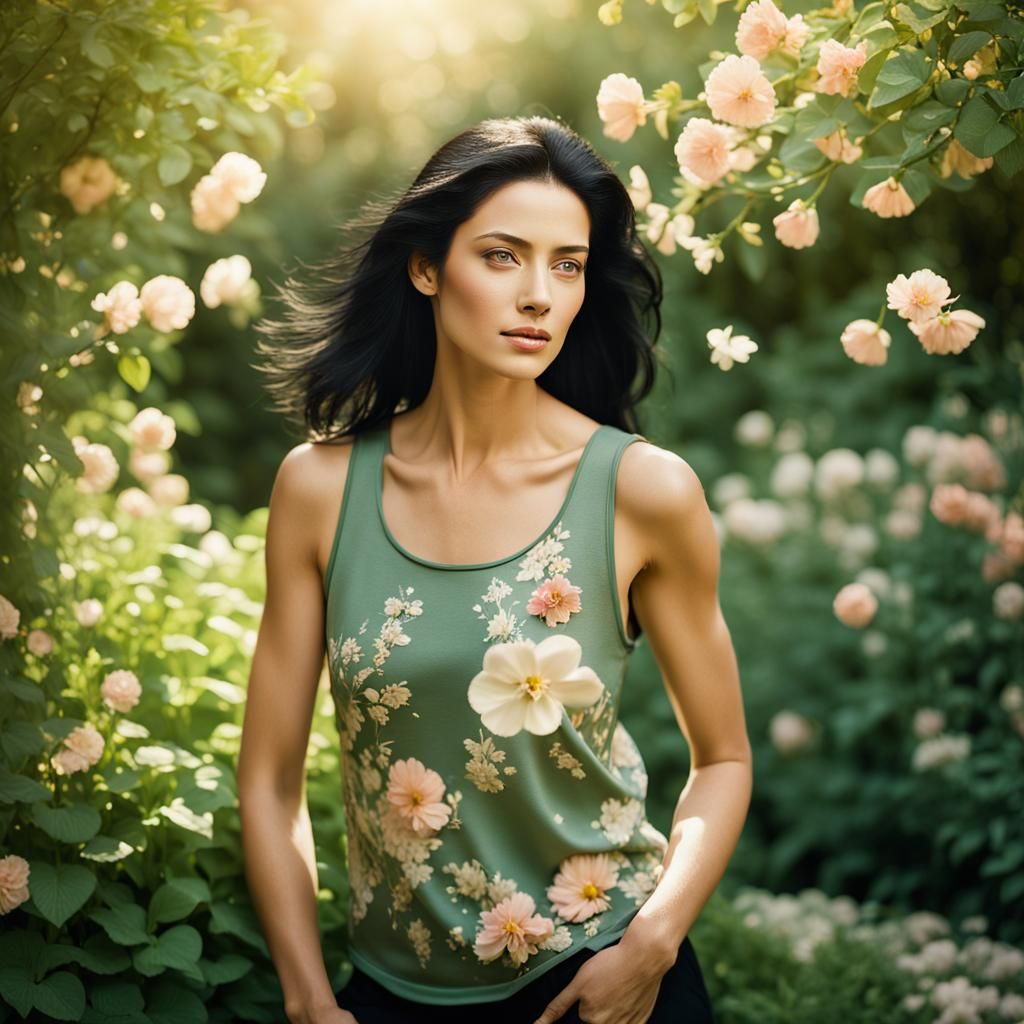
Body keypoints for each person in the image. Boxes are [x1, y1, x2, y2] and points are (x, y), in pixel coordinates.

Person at [237, 114, 752, 1024]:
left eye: (567, 264)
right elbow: (271, 779)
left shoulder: (642, 491)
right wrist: (309, 1000)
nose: (540, 296)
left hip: (606, 980)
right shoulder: (319, 489)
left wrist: (654, 945)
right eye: (504, 256)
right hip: (387, 995)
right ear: (427, 267)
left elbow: (723, 758)